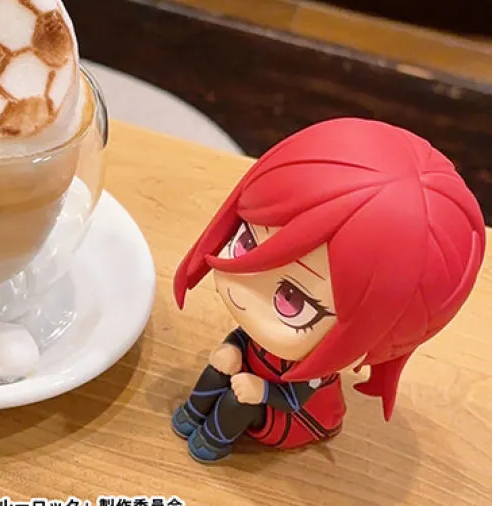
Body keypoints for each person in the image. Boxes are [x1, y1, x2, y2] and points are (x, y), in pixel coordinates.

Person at [172, 118, 485, 463]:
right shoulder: (263, 337)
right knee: (218, 368)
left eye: (293, 300)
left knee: (237, 401)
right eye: (247, 242)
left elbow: (294, 399)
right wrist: (232, 348)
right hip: (254, 377)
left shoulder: (313, 371)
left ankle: (213, 441)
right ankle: (191, 415)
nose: (248, 291)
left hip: (295, 416)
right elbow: (244, 340)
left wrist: (261, 390)